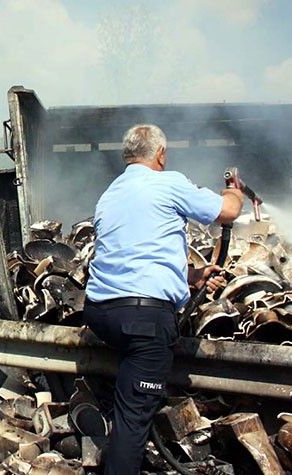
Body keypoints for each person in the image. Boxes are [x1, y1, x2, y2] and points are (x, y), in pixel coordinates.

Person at [84, 124, 244, 474]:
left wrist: (191, 278)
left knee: (130, 391)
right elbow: (227, 212)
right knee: (135, 416)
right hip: (143, 319)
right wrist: (233, 191)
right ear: (160, 154)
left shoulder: (109, 194)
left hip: (100, 313)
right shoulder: (167, 181)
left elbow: (136, 254)